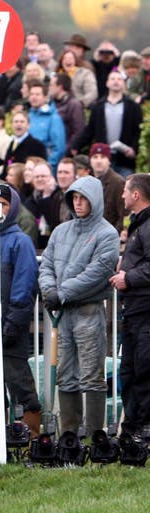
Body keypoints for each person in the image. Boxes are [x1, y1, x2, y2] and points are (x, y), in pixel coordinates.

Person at [39, 175, 119, 437]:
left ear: (94, 199)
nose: (78, 202)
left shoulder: (107, 234)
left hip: (88, 312)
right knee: (65, 373)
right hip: (63, 315)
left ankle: (97, 437)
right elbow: (47, 264)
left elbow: (97, 273)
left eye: (83, 197)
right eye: (74, 197)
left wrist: (60, 293)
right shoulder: (61, 231)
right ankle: (69, 436)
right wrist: (49, 290)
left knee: (92, 374)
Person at [109, 173, 150, 438]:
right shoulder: (138, 224)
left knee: (145, 370)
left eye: (125, 190)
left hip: (146, 310)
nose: (122, 195)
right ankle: (132, 429)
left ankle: (144, 429)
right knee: (130, 370)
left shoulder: (147, 226)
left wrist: (128, 277)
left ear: (136, 195)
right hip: (134, 310)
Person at [0, 183, 41, 436]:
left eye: (4, 205)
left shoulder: (20, 241)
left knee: (20, 382)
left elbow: (24, 288)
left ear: (12, 207)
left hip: (11, 325)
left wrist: (12, 325)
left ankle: (33, 436)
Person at [72, 69, 143, 178]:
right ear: (107, 83)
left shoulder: (133, 106)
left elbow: (138, 130)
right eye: (113, 79)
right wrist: (76, 146)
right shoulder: (98, 106)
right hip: (103, 159)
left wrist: (133, 149)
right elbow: (90, 130)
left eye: (119, 79)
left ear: (124, 84)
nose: (116, 81)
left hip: (124, 159)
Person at [27, 79, 66, 175]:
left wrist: (48, 166)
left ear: (45, 97)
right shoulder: (28, 116)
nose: (34, 97)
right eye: (31, 94)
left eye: (37, 94)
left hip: (44, 170)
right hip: (28, 168)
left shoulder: (53, 117)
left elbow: (59, 147)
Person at [24, 160, 64, 250]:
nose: (39, 179)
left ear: (51, 177)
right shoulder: (30, 201)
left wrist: (46, 197)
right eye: (36, 177)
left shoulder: (60, 196)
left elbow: (55, 223)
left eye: (43, 176)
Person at [88, 143, 126, 233]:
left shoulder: (118, 182)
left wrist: (113, 237)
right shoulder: (87, 181)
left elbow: (123, 215)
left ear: (109, 160)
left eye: (103, 157)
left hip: (108, 236)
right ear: (90, 160)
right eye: (95, 157)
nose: (99, 161)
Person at [0, 110, 47, 178]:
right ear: (12, 125)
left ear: (28, 125)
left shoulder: (38, 146)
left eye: (22, 121)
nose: (19, 124)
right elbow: (7, 166)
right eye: (16, 121)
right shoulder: (11, 143)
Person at [48, 73, 85, 155]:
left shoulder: (74, 105)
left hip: (65, 153)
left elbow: (78, 131)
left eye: (51, 85)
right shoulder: (50, 104)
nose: (49, 88)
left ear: (60, 87)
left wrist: (66, 149)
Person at [56, 157, 78, 222]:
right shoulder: (55, 197)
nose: (62, 176)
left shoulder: (80, 198)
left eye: (66, 172)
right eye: (60, 172)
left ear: (75, 175)